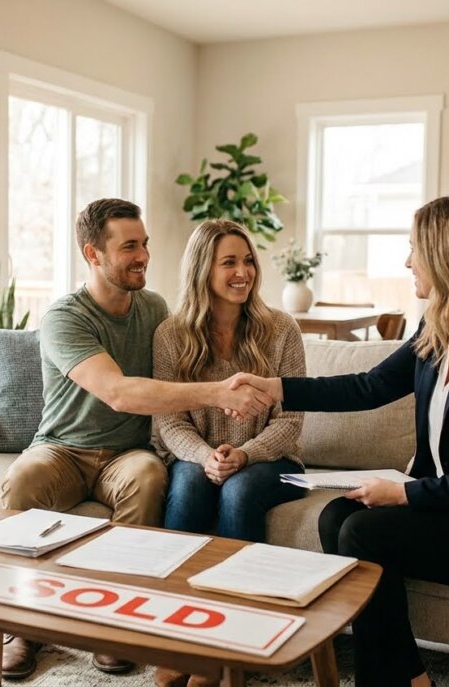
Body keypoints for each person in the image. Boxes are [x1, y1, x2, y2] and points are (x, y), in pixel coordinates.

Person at [229, 193, 449, 687]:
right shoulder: (440, 325)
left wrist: (403, 492)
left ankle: (396, 679)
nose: (407, 261)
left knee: (364, 532)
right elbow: (371, 385)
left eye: (414, 248)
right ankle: (404, 674)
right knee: (339, 514)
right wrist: (277, 388)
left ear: (448, 255)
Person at [0, 198, 273, 680]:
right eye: (129, 247)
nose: (143, 254)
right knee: (23, 478)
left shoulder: (155, 310)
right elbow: (119, 392)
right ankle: (23, 626)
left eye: (144, 243)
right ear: (93, 253)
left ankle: (117, 626)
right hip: (62, 447)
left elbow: (181, 374)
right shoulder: (65, 316)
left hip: (127, 454)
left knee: (149, 477)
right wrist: (218, 394)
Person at [151, 219, 307, 687]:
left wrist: (246, 454)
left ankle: (235, 642)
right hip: (199, 457)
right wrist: (204, 455)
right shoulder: (171, 335)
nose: (244, 272)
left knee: (238, 494)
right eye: (230, 263)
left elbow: (291, 420)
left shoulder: (281, 329)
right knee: (188, 488)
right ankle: (179, 638)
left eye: (248, 261)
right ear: (203, 270)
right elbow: (169, 419)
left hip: (271, 461)